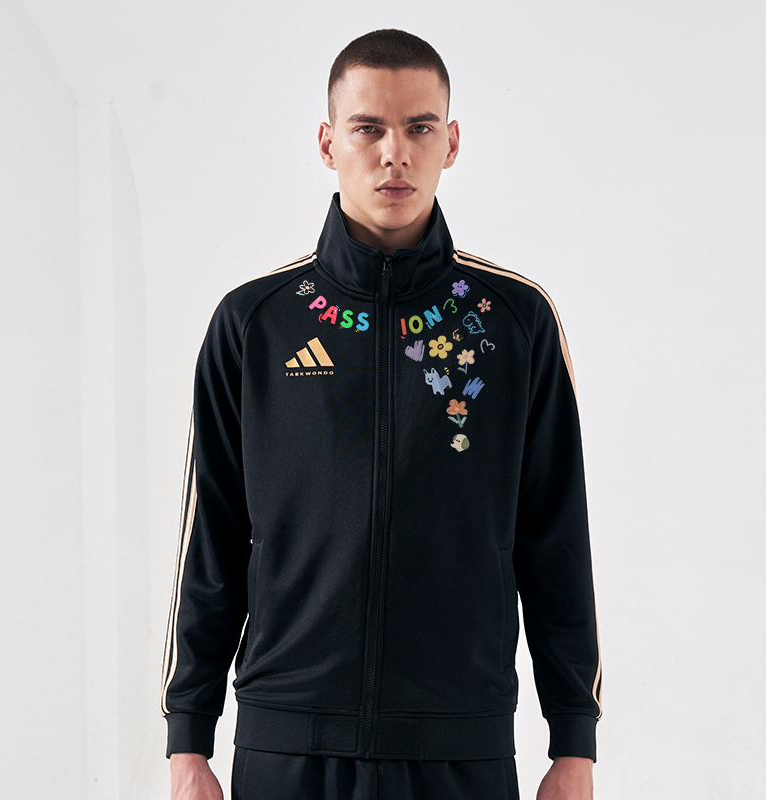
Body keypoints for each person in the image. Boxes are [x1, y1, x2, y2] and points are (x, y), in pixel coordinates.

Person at [161, 28, 601, 800]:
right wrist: (187, 737)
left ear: (451, 143)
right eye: (368, 127)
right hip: (288, 741)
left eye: (419, 127)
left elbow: (554, 535)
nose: (394, 153)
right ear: (328, 142)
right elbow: (213, 536)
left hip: (458, 745)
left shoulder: (512, 321)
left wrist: (575, 740)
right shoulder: (256, 323)